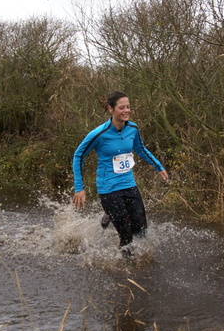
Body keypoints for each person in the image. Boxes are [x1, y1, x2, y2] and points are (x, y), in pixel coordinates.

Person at [72, 91, 169, 257]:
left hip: (129, 184)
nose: (126, 111)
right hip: (108, 188)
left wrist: (158, 166)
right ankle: (128, 273)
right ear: (111, 109)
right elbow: (78, 156)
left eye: (128, 107)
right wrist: (79, 187)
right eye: (121, 107)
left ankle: (110, 216)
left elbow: (140, 148)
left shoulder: (132, 128)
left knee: (141, 229)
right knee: (126, 236)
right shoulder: (98, 134)